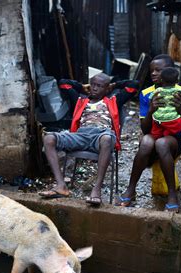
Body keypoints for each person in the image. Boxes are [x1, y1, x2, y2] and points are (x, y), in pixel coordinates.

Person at [39, 74, 139, 206]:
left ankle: (96, 190)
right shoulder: (80, 100)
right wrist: (81, 87)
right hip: (80, 135)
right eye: (93, 85)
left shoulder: (114, 100)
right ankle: (61, 185)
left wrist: (114, 86)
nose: (95, 88)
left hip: (101, 136)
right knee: (49, 138)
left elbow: (134, 85)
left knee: (107, 139)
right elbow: (63, 83)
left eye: (99, 86)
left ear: (106, 89)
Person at [117, 54, 181, 212]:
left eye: (158, 70)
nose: (153, 74)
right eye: (152, 70)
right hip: (154, 133)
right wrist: (151, 110)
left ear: (170, 71)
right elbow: (145, 130)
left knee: (162, 143)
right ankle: (131, 189)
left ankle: (172, 195)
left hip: (175, 139)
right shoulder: (147, 94)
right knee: (146, 141)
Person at [149, 67, 181, 139]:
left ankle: (156, 136)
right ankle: (173, 134)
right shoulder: (178, 91)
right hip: (171, 118)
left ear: (161, 80)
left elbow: (151, 98)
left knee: (156, 130)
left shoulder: (158, 90)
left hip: (158, 117)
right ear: (177, 80)